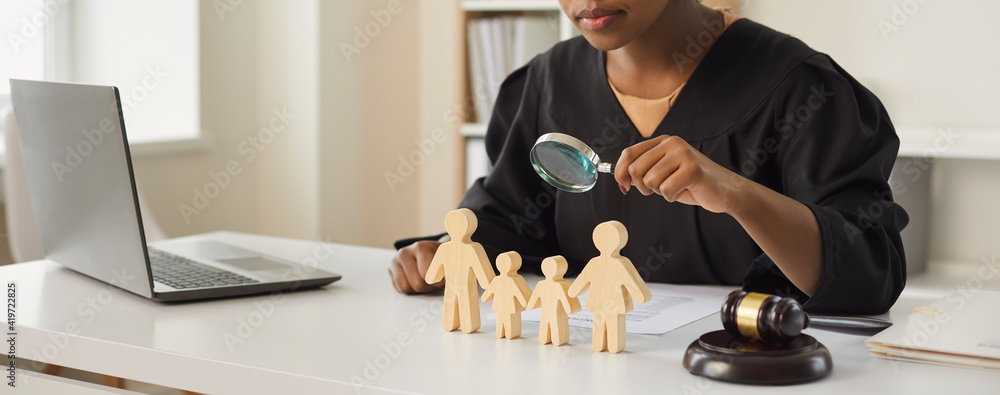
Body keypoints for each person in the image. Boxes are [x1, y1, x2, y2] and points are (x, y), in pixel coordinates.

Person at [390, 0, 908, 314]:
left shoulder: (801, 88)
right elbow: (508, 220)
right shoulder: (546, 84)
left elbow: (870, 269)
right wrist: (446, 252)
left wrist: (736, 193)